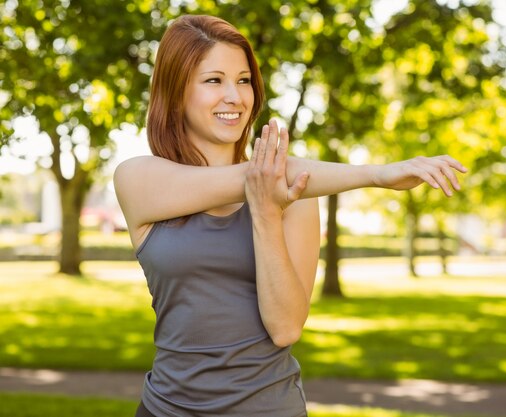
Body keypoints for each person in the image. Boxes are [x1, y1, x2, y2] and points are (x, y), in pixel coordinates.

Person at [114, 14, 467, 417]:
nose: (235, 96)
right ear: (176, 92)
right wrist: (375, 175)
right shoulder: (138, 179)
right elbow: (259, 174)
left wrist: (266, 216)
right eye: (214, 81)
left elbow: (285, 328)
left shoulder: (298, 193)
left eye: (244, 80)